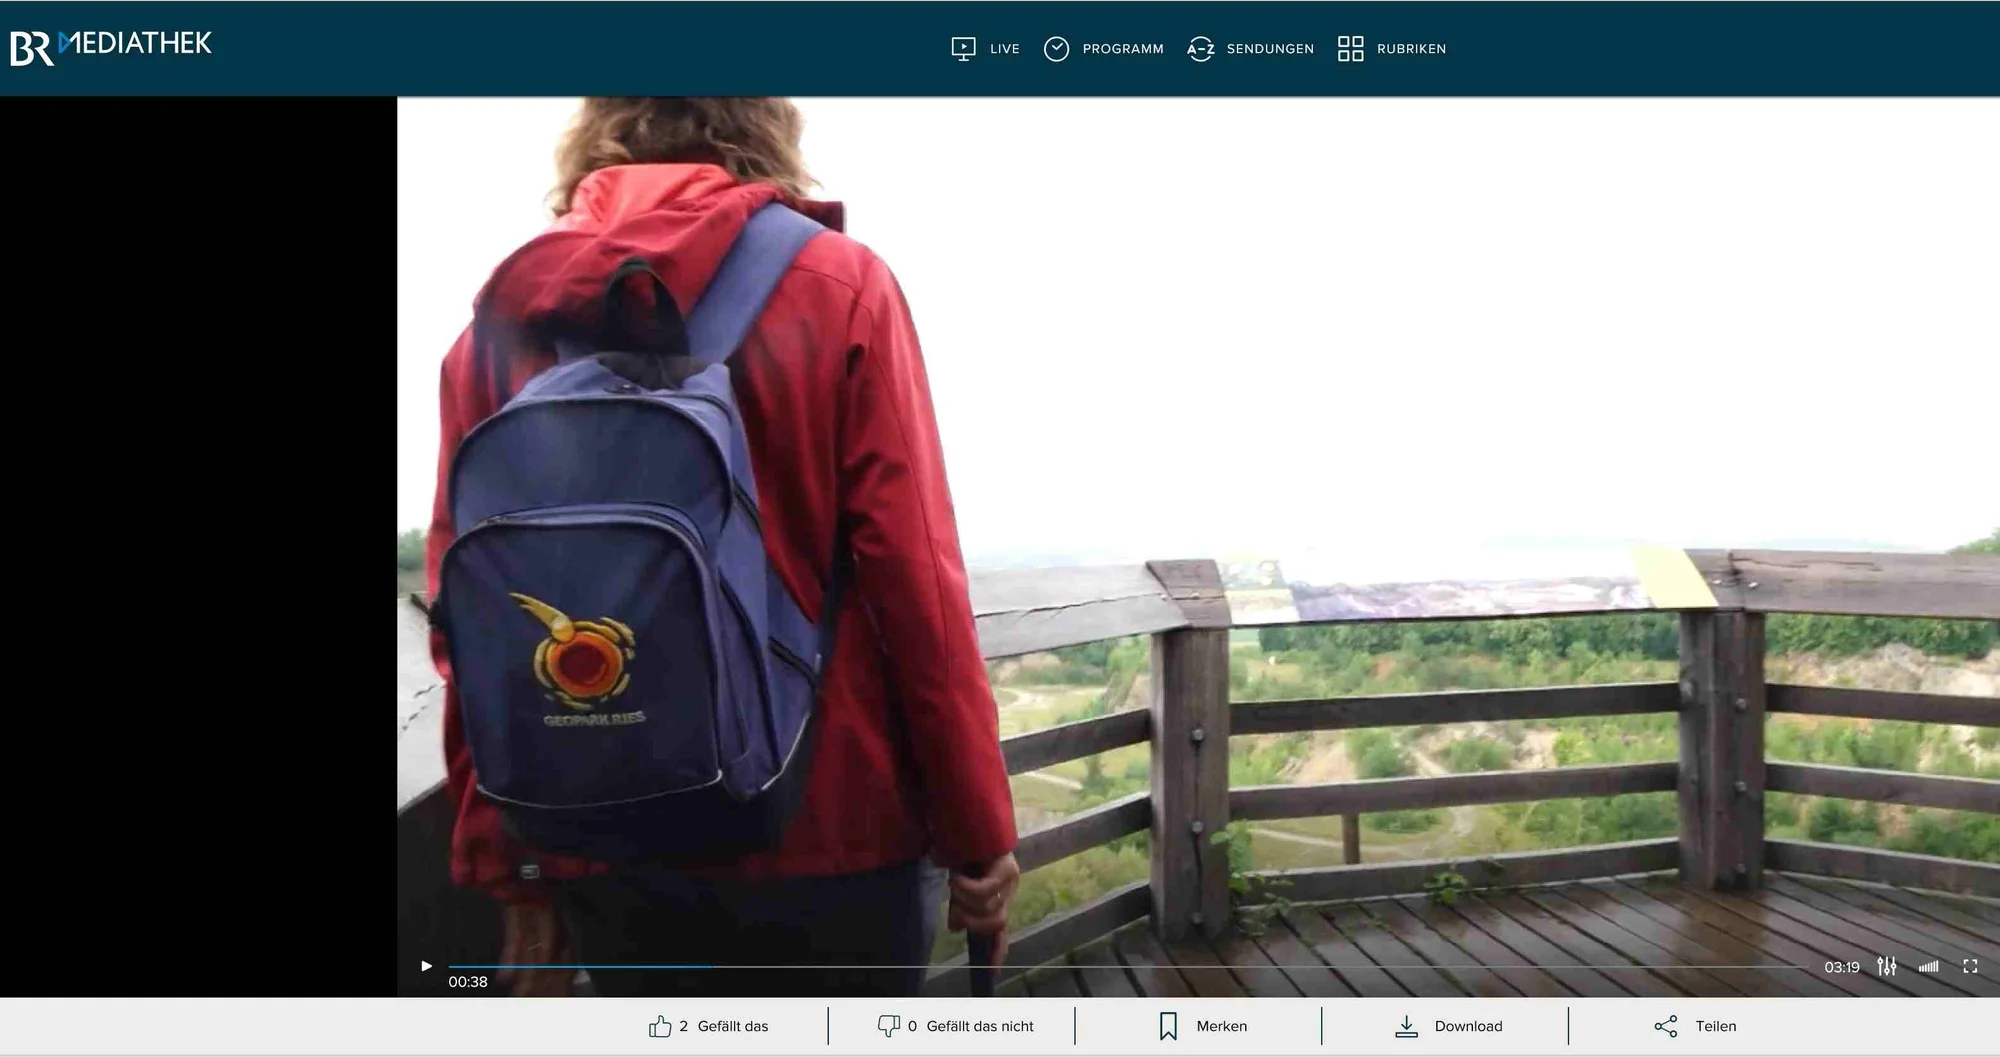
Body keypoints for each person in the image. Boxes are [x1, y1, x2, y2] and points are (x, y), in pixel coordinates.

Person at [424, 97, 1019, 997]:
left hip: (600, 832)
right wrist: (978, 832)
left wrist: (512, 869)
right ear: (764, 123)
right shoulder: (840, 286)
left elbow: (468, 632)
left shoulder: (500, 323)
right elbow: (917, 590)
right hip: (832, 825)